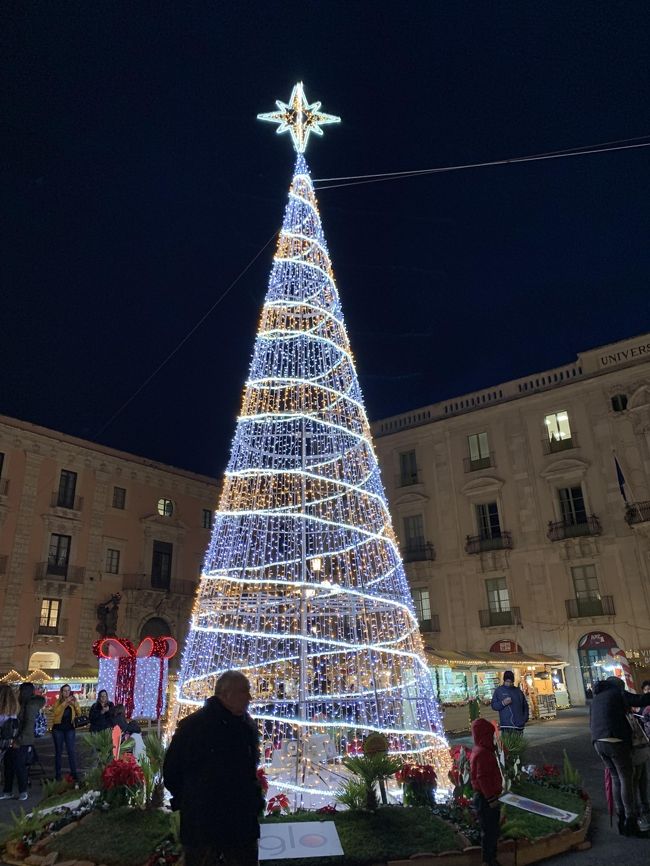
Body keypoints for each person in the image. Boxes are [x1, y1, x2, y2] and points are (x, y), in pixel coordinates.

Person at [163, 671, 263, 866]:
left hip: (240, 825)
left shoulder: (246, 726)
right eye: (244, 691)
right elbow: (172, 772)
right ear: (226, 694)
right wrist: (193, 800)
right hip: (204, 826)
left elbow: (249, 770)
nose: (249, 698)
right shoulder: (194, 727)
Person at [590, 675, 650, 836]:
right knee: (626, 779)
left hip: (598, 742)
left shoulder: (597, 697)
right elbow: (640, 700)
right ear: (618, 686)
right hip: (614, 739)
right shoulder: (617, 693)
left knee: (616, 778)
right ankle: (631, 822)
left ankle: (621, 819)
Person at [0, 682, 45, 800]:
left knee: (19, 766)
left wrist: (18, 741)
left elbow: (28, 726)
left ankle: (22, 791)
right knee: (8, 764)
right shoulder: (23, 703)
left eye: (20, 690)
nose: (18, 692)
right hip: (17, 739)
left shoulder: (30, 705)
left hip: (23, 741)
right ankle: (8, 791)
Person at [470, 717, 503, 866]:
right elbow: (482, 778)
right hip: (486, 799)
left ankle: (490, 859)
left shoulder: (480, 750)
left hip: (485, 797)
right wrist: (491, 798)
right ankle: (488, 861)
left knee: (491, 830)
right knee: (490, 831)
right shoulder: (483, 753)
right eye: (490, 735)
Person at [51, 683, 80, 781]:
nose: (67, 693)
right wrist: (64, 703)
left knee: (71, 751)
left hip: (70, 729)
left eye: (68, 690)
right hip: (58, 729)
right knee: (58, 752)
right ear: (62, 692)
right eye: (65, 691)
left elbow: (79, 713)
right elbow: (55, 712)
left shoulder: (73, 701)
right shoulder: (58, 702)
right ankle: (58, 774)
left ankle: (74, 773)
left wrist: (74, 704)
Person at [0, 684, 20, 801]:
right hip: (10, 740)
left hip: (1, 739)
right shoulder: (14, 708)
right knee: (8, 766)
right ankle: (8, 790)